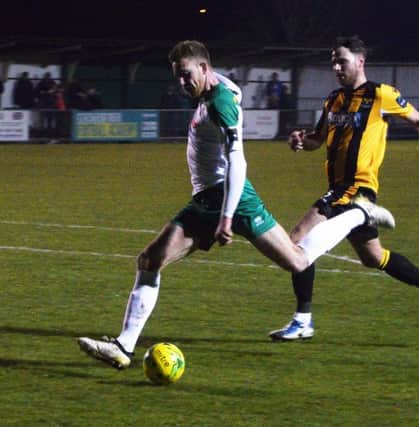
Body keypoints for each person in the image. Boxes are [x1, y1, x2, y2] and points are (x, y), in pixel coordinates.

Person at [77, 40, 394, 369]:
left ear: (203, 68)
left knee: (298, 261)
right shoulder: (217, 89)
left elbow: (237, 161)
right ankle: (123, 347)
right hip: (205, 200)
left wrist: (227, 218)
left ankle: (359, 213)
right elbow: (232, 90)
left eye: (186, 75)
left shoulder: (220, 103)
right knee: (149, 260)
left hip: (234, 199)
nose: (182, 83)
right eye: (177, 77)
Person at [269, 35, 419, 341]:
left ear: (360, 61)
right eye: (333, 61)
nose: (336, 67)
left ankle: (303, 320)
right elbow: (318, 140)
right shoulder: (332, 100)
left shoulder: (381, 95)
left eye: (341, 60)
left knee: (296, 242)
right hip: (342, 190)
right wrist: (301, 140)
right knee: (374, 257)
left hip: (356, 187)